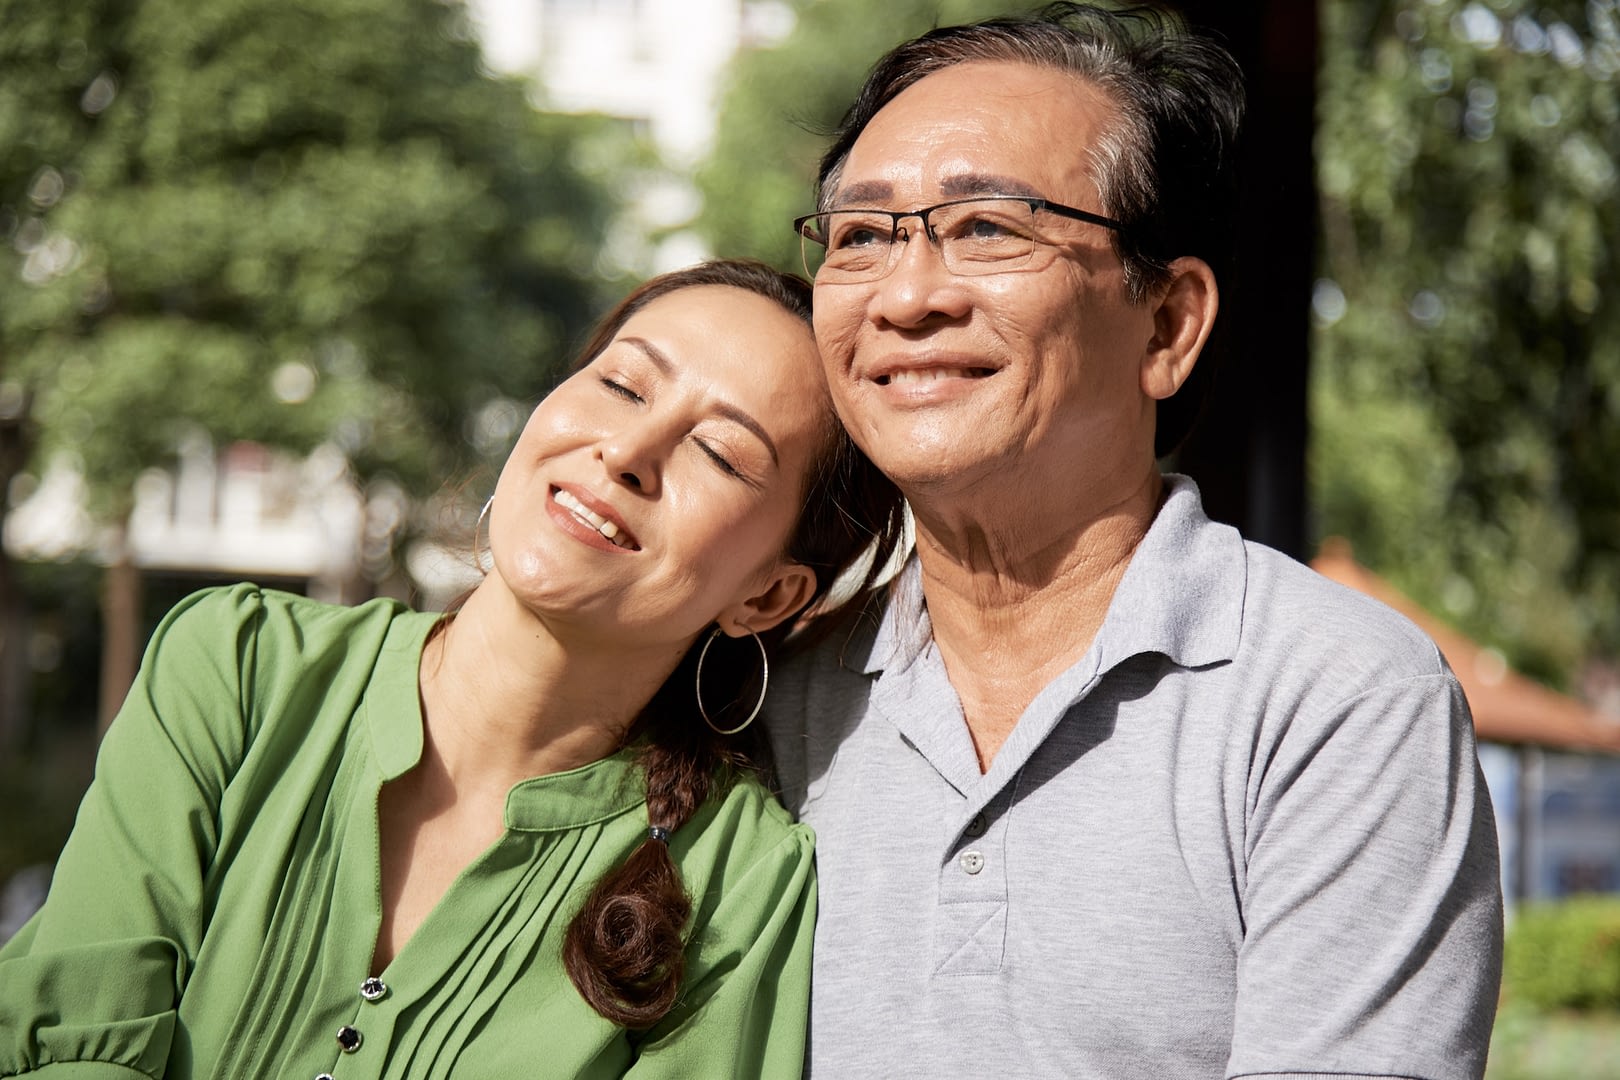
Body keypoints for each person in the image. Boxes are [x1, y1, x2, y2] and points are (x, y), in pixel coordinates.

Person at [767, 5, 1504, 1077]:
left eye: (989, 227)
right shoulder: (776, 693)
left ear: (1166, 325)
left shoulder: (1337, 700)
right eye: (863, 237)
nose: (909, 295)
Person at [0, 259, 905, 1079]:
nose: (626, 456)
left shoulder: (741, 883)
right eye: (623, 386)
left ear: (767, 598)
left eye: (718, 454)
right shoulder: (237, 668)